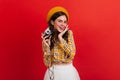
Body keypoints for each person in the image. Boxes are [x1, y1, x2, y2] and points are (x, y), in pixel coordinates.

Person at [41, 6, 80, 80]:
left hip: (68, 72)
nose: (63, 24)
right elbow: (47, 64)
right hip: (53, 73)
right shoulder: (47, 37)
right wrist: (47, 48)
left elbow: (72, 54)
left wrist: (60, 38)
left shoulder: (69, 34)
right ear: (52, 22)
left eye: (65, 22)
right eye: (60, 21)